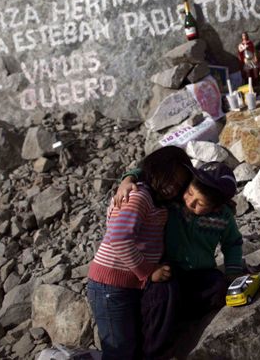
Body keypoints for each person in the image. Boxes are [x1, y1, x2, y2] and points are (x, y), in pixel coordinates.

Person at [87, 146, 192, 360]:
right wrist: (148, 272)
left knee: (129, 345)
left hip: (125, 284)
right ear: (157, 169)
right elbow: (119, 238)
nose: (173, 188)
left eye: (179, 185)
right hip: (111, 286)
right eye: (170, 178)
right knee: (120, 351)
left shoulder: (155, 200)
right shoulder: (138, 196)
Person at [113, 162, 243, 320]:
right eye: (189, 192)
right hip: (168, 269)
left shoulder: (223, 216)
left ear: (216, 207)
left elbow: (232, 243)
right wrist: (128, 179)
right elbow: (154, 170)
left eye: (200, 204)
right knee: (162, 296)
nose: (190, 202)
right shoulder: (175, 202)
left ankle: (183, 318)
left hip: (201, 271)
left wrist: (233, 271)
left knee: (219, 287)